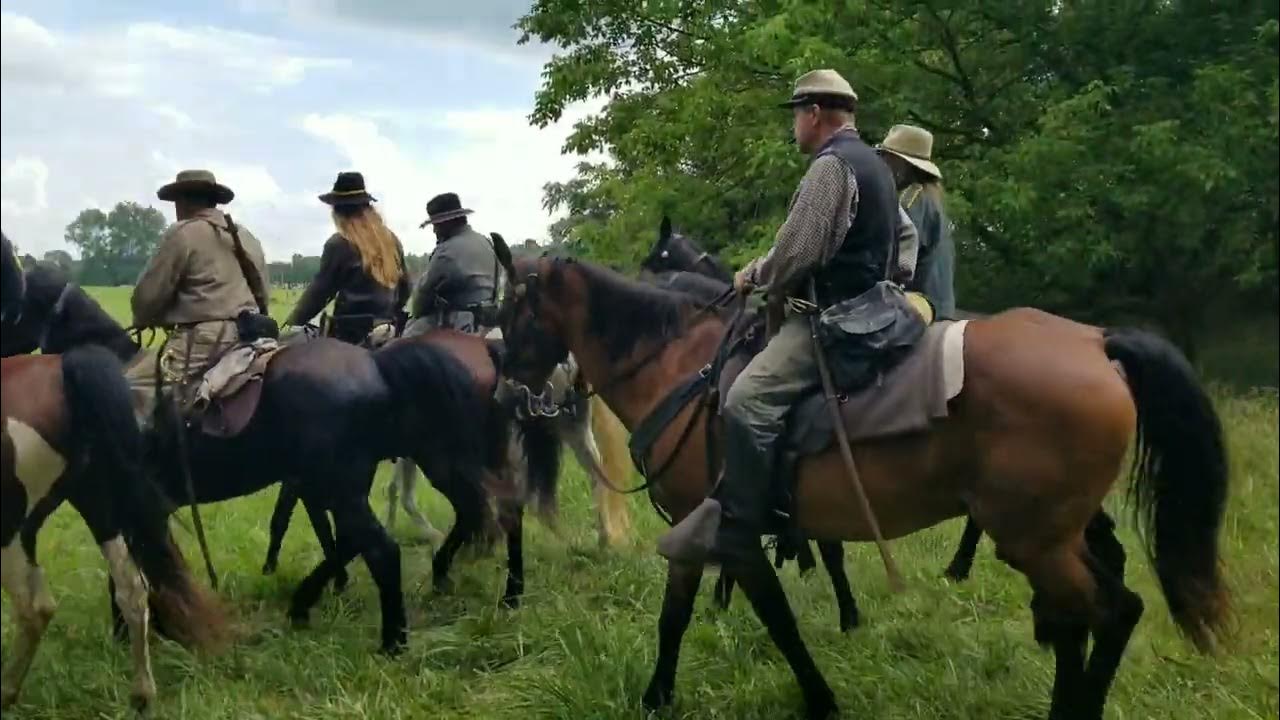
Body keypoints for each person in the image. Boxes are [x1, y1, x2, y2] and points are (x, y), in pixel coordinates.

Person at [658, 69, 901, 563]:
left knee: (746, 397)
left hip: (838, 317)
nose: (793, 125)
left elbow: (797, 252)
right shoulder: (874, 164)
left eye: (795, 114)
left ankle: (743, 521)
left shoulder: (831, 167)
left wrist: (755, 274)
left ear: (814, 114)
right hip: (882, 307)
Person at [125, 169, 268, 416]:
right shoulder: (247, 237)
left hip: (204, 341)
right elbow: (263, 295)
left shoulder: (183, 233)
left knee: (126, 387)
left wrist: (148, 318)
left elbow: (146, 300)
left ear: (183, 202)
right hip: (251, 336)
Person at [283, 171, 409, 346]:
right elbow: (405, 288)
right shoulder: (391, 240)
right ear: (368, 208)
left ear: (338, 211)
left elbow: (320, 292)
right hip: (388, 330)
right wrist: (388, 316)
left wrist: (291, 323)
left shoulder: (339, 243)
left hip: (348, 333)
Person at [878, 124, 955, 317]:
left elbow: (895, 257)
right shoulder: (931, 199)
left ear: (901, 164)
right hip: (941, 304)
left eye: (887, 158)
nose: (883, 163)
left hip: (919, 305)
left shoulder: (910, 200)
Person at [404, 192, 501, 336]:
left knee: (404, 340)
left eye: (436, 224)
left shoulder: (445, 251)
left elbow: (422, 298)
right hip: (489, 320)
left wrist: (415, 315)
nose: (434, 230)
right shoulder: (486, 242)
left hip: (458, 322)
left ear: (447, 223)